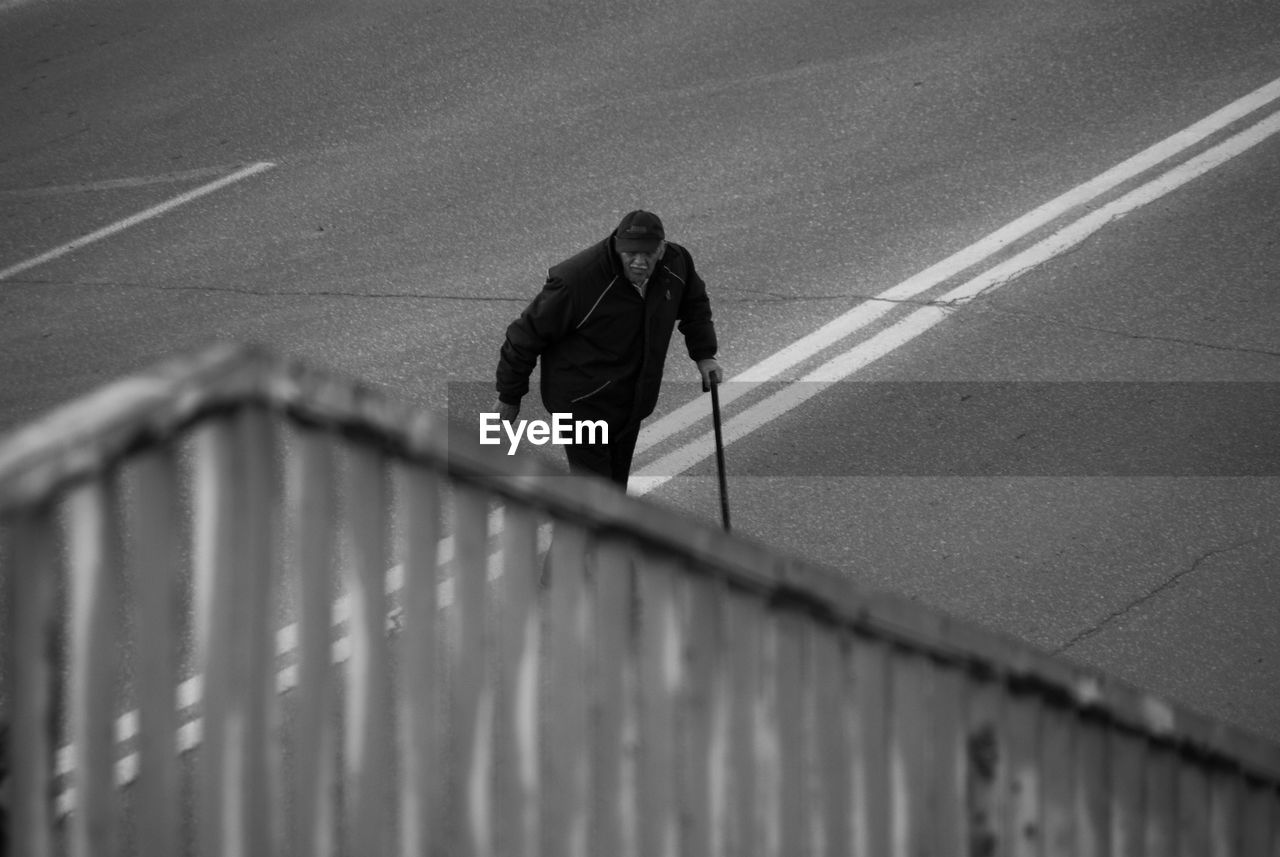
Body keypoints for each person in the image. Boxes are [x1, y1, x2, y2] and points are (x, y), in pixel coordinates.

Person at [494, 210, 721, 488]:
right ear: (617, 246)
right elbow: (524, 335)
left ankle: (600, 528)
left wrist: (704, 354)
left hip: (631, 399)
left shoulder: (676, 264)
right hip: (582, 405)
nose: (639, 262)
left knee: (613, 491)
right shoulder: (577, 281)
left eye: (648, 254)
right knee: (598, 498)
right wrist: (510, 395)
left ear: (661, 249)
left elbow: (694, 304)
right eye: (630, 254)